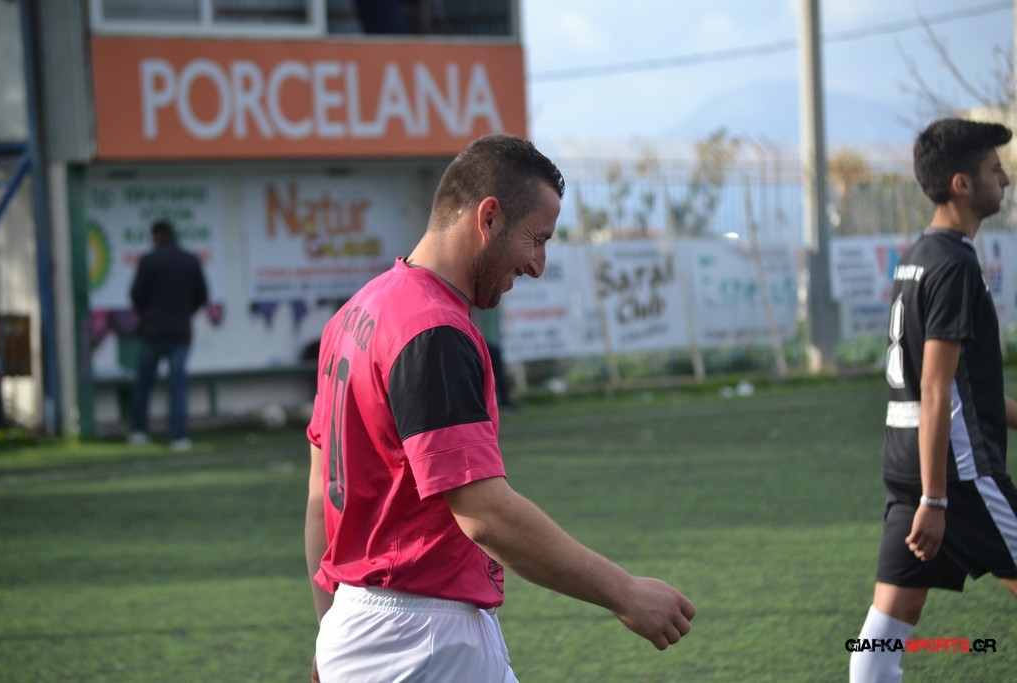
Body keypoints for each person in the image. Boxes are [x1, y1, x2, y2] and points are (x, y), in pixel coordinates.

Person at [305, 134, 695, 682]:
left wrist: (330, 630)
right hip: (424, 641)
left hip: (356, 627)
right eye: (537, 238)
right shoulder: (432, 330)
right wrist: (624, 592)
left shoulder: (354, 313)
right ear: (488, 217)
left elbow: (320, 496)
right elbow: (483, 512)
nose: (538, 265)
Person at [850, 118, 1017, 682]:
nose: (1005, 179)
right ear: (962, 184)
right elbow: (936, 388)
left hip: (910, 468)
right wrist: (937, 499)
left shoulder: (918, 256)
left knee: (879, 646)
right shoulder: (954, 265)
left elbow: (968, 390)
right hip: (956, 477)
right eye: (996, 169)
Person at [127, 220, 208, 451]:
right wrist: (184, 314)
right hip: (180, 331)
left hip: (152, 330)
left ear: (156, 236)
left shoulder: (149, 260)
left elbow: (136, 295)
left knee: (144, 383)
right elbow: (202, 296)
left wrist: (149, 314)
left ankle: (139, 431)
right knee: (177, 385)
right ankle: (178, 436)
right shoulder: (190, 260)